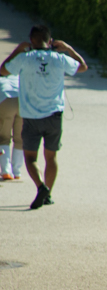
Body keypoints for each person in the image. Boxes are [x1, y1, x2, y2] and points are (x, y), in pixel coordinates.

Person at [0, 25, 87, 209]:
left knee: (30, 157)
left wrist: (17, 50)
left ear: (31, 40)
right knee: (51, 156)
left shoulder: (25, 58)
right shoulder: (59, 58)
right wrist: (68, 49)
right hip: (54, 115)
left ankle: (41, 187)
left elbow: (3, 70)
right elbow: (83, 67)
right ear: (50, 41)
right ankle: (49, 194)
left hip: (31, 116)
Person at [0, 74, 20, 181]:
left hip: (5, 99)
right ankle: (17, 171)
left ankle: (6, 170)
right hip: (22, 101)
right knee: (20, 139)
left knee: (3, 137)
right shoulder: (19, 76)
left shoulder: (1, 79)